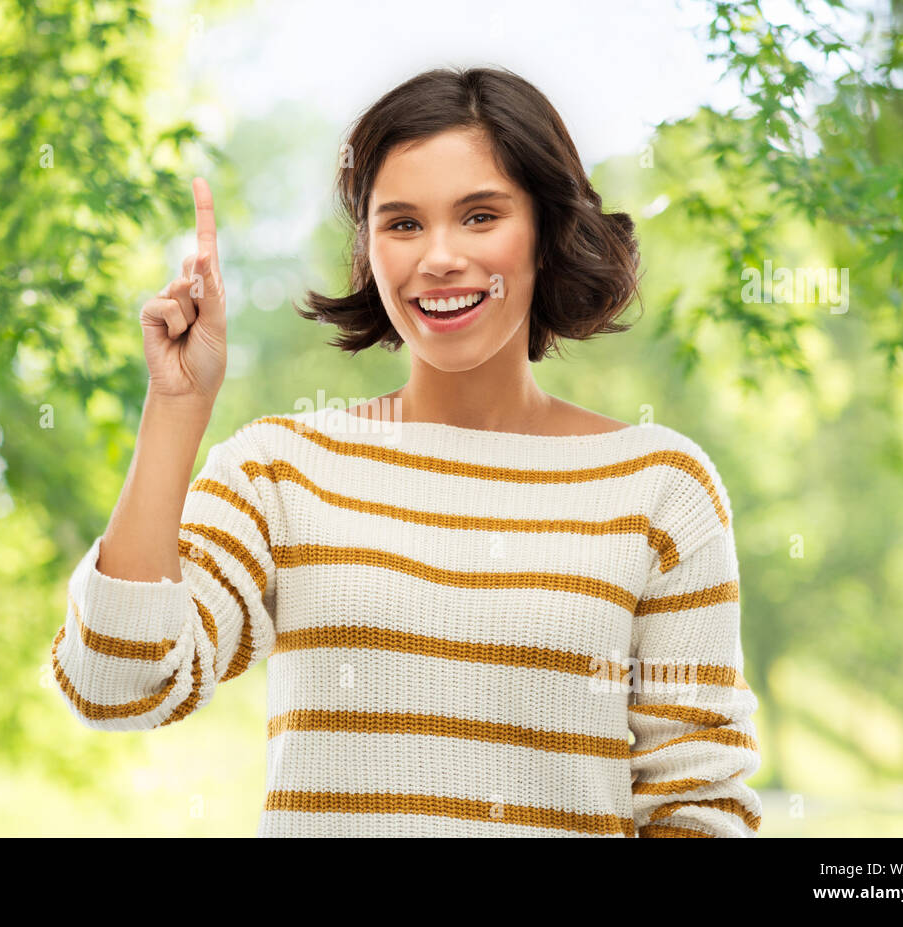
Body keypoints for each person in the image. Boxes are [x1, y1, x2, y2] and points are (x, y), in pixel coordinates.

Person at [50, 66, 762, 838]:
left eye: (481, 216)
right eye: (403, 223)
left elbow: (696, 805)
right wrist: (177, 405)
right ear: (369, 251)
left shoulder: (661, 488)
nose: (440, 257)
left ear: (549, 233)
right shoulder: (282, 472)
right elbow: (116, 682)